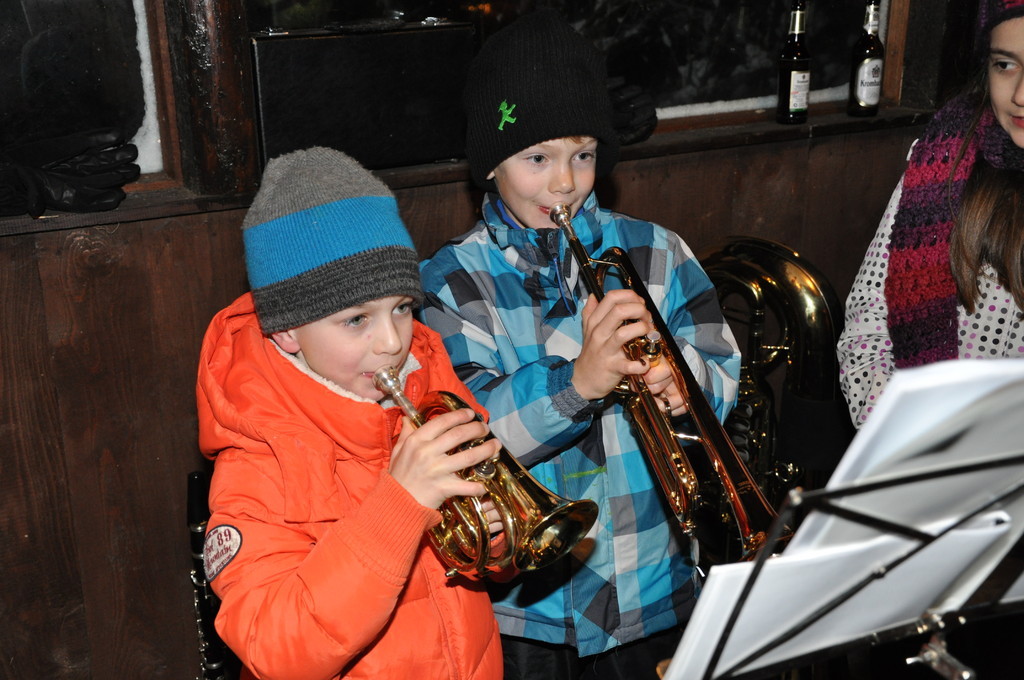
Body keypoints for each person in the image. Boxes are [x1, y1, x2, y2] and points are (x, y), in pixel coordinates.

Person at [418, 10, 742, 679]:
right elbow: (468, 438)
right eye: (537, 158)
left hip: (654, 586)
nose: (564, 182)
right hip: (528, 613)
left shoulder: (656, 253)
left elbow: (722, 370)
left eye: (583, 155)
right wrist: (577, 385)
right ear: (490, 164)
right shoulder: (451, 283)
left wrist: (685, 387)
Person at [195, 146, 506, 680]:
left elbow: (485, 572)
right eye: (356, 319)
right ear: (287, 332)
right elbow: (277, 650)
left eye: (402, 308)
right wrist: (401, 505)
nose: (392, 342)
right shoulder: (256, 465)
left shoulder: (430, 392)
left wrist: (494, 534)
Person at [838, 0, 1024, 428]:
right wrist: (916, 440)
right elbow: (868, 331)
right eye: (1005, 64)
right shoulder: (944, 158)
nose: (1018, 95)